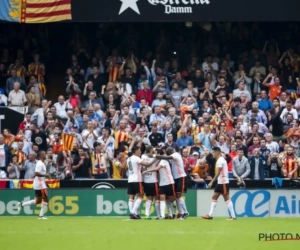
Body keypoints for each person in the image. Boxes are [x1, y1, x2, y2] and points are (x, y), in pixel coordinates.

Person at [201, 147, 236, 220]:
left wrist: (211, 182)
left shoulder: (220, 161)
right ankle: (210, 215)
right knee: (214, 197)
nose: (212, 154)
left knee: (227, 199)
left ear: (217, 153)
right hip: (220, 182)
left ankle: (233, 216)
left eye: (213, 152)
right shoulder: (220, 159)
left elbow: (218, 173)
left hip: (223, 182)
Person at [155, 147, 189, 219]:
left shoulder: (176, 154)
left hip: (181, 177)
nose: (167, 154)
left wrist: (156, 156)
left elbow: (167, 157)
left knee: (178, 195)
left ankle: (185, 212)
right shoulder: (171, 158)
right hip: (175, 178)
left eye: (167, 152)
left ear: (171, 151)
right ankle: (181, 212)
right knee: (176, 196)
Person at [142, 148, 176, 220]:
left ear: (159, 154)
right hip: (161, 183)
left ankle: (174, 212)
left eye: (155, 153)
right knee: (162, 198)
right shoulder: (157, 160)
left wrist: (146, 171)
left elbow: (157, 169)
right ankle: (162, 216)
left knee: (171, 199)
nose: (154, 154)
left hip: (169, 182)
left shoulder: (163, 161)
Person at [127, 146, 157, 219]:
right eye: (139, 150)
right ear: (136, 151)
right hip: (137, 179)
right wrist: (156, 159)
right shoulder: (137, 158)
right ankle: (133, 212)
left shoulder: (129, 159)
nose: (140, 152)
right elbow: (147, 164)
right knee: (140, 195)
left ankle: (133, 213)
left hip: (130, 179)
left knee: (131, 197)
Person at [18, 151, 50, 219]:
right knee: (46, 199)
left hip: (39, 183)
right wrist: (46, 175)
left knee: (38, 201)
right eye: (44, 153)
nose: (45, 154)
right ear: (41, 155)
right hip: (40, 184)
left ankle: (21, 204)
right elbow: (36, 173)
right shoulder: (39, 163)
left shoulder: (42, 163)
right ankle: (41, 216)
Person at [141, 146, 160, 219]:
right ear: (150, 151)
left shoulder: (142, 157)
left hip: (146, 181)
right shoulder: (155, 158)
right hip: (153, 180)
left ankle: (147, 215)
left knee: (149, 198)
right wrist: (155, 154)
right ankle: (158, 215)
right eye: (152, 150)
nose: (153, 152)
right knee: (157, 198)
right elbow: (157, 156)